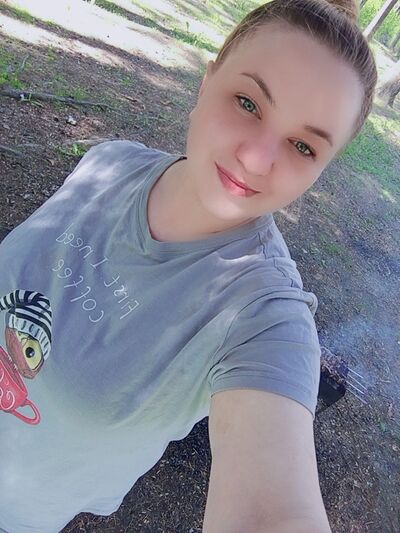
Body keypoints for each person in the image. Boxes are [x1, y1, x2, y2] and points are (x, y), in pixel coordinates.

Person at [0, 0, 377, 531]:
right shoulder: (110, 161)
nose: (256, 158)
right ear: (207, 82)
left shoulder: (266, 320)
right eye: (247, 102)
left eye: (302, 146)